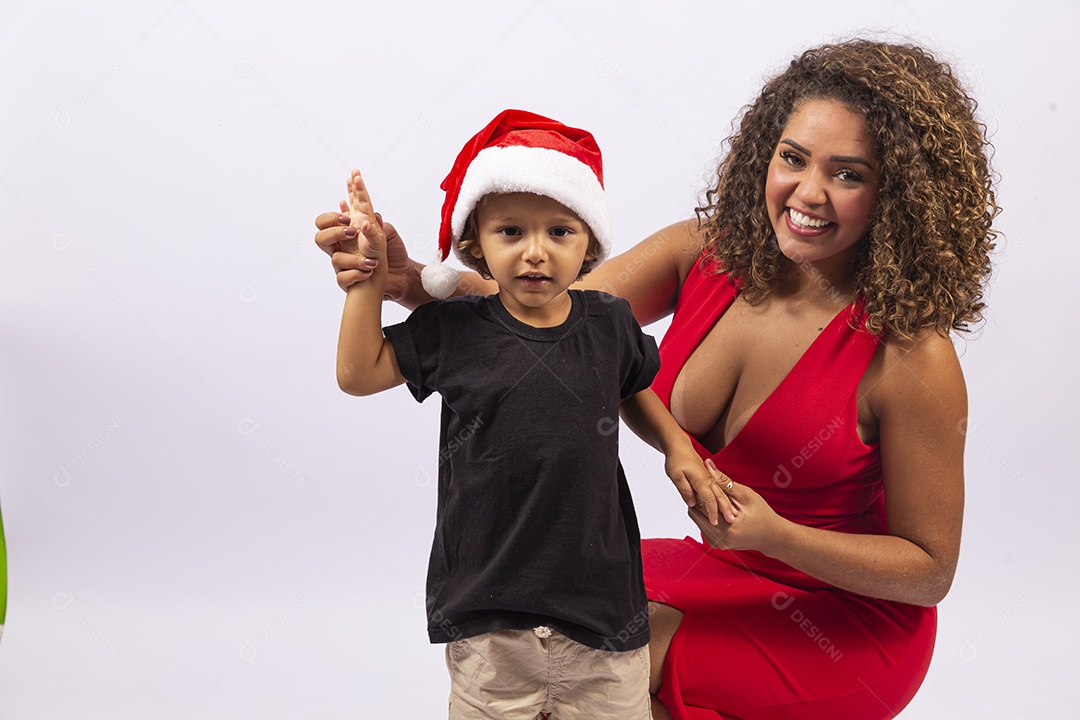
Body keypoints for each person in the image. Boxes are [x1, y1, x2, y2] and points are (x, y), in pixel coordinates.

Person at [315, 40, 999, 720]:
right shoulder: (703, 254)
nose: (807, 193)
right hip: (718, 571)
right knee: (532, 604)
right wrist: (406, 284)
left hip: (846, 627)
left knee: (587, 669)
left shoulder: (912, 356)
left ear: (900, 195)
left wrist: (776, 535)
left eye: (847, 174)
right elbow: (549, 317)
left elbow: (929, 570)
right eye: (792, 158)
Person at [331, 109, 733, 720]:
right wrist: (366, 281)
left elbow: (632, 388)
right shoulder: (454, 329)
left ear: (589, 242)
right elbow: (359, 375)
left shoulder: (609, 323)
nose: (535, 253)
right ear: (476, 246)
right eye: (511, 232)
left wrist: (679, 447)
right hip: (487, 610)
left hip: (602, 609)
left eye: (560, 233)